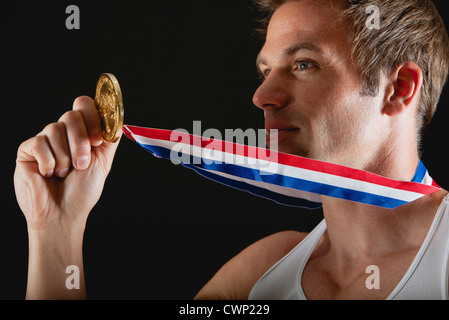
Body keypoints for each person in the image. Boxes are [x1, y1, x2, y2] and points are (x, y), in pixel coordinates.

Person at [14, 0, 449, 300]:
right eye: (265, 70)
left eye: (304, 65)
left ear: (399, 88)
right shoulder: (261, 272)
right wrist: (56, 230)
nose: (263, 95)